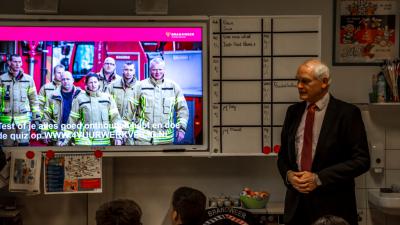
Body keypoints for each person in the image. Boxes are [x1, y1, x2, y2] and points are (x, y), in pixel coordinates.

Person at [277, 59, 370, 225]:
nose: (299, 86)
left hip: (333, 209)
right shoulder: (293, 112)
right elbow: (283, 157)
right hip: (296, 207)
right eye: (297, 80)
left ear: (324, 82)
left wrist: (319, 178)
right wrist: (289, 175)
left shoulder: (347, 114)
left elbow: (362, 161)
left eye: (305, 81)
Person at [135, 57, 189, 145]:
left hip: (165, 139)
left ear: (164, 70)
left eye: (160, 69)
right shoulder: (140, 86)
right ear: (150, 70)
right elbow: (131, 110)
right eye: (154, 69)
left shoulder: (173, 87)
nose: (157, 72)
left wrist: (181, 129)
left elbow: (182, 110)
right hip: (142, 139)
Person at [59, 73, 122, 146]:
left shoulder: (108, 98)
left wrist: (118, 136)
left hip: (103, 142)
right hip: (84, 143)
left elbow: (115, 119)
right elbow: (72, 122)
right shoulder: (79, 99)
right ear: (87, 84)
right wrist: (64, 139)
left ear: (99, 83)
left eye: (95, 82)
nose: (93, 84)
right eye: (90, 82)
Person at [0, 54, 40, 146]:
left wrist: (37, 119)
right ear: (9, 63)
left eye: (19, 62)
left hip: (23, 122)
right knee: (7, 149)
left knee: (23, 149)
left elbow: (34, 101)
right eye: (15, 62)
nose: (18, 64)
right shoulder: (2, 79)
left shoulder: (28, 79)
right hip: (7, 122)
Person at [42, 71, 81, 145]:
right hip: (57, 136)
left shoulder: (81, 95)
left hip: (75, 136)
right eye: (63, 79)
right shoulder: (52, 96)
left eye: (68, 79)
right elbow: (46, 116)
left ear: (73, 80)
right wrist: (44, 132)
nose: (65, 81)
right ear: (60, 81)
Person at [108, 62, 140, 145]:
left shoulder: (140, 87)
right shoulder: (112, 86)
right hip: (114, 130)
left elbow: (141, 111)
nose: (128, 72)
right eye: (126, 69)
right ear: (122, 70)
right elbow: (105, 107)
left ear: (134, 71)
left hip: (131, 131)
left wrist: (131, 129)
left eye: (130, 70)